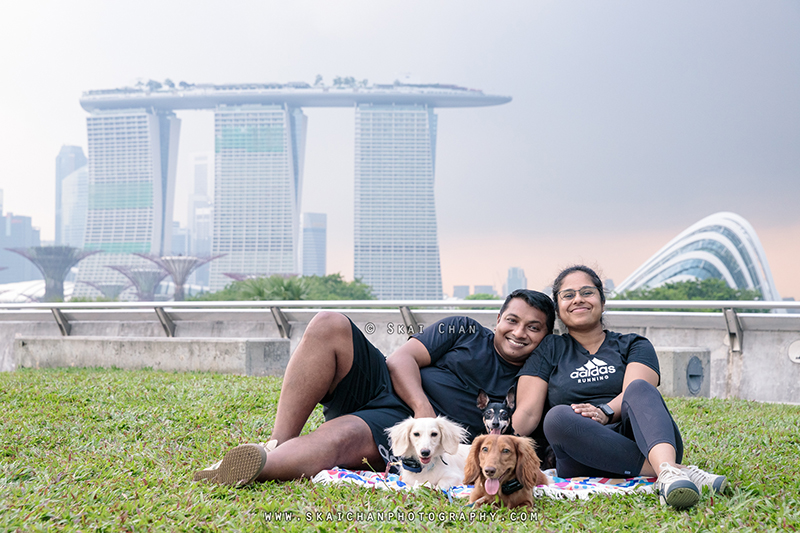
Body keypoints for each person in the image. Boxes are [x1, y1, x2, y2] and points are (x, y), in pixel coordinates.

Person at [193, 289, 555, 486]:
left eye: (533, 328)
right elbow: (400, 360)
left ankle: (255, 467)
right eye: (512, 320)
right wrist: (423, 409)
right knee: (328, 323)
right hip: (385, 383)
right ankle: (277, 441)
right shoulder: (461, 329)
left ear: (545, 335)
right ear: (498, 319)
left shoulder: (534, 379)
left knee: (338, 441)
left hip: (411, 435)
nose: (519, 332)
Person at [513, 265, 728, 509]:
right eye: (568, 295)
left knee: (639, 387)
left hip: (645, 440)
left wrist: (604, 412)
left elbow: (638, 392)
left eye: (587, 292)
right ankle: (673, 472)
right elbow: (524, 421)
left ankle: (666, 469)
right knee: (557, 417)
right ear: (559, 309)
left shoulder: (633, 344)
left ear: (602, 302)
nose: (578, 299)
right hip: (581, 450)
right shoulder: (549, 349)